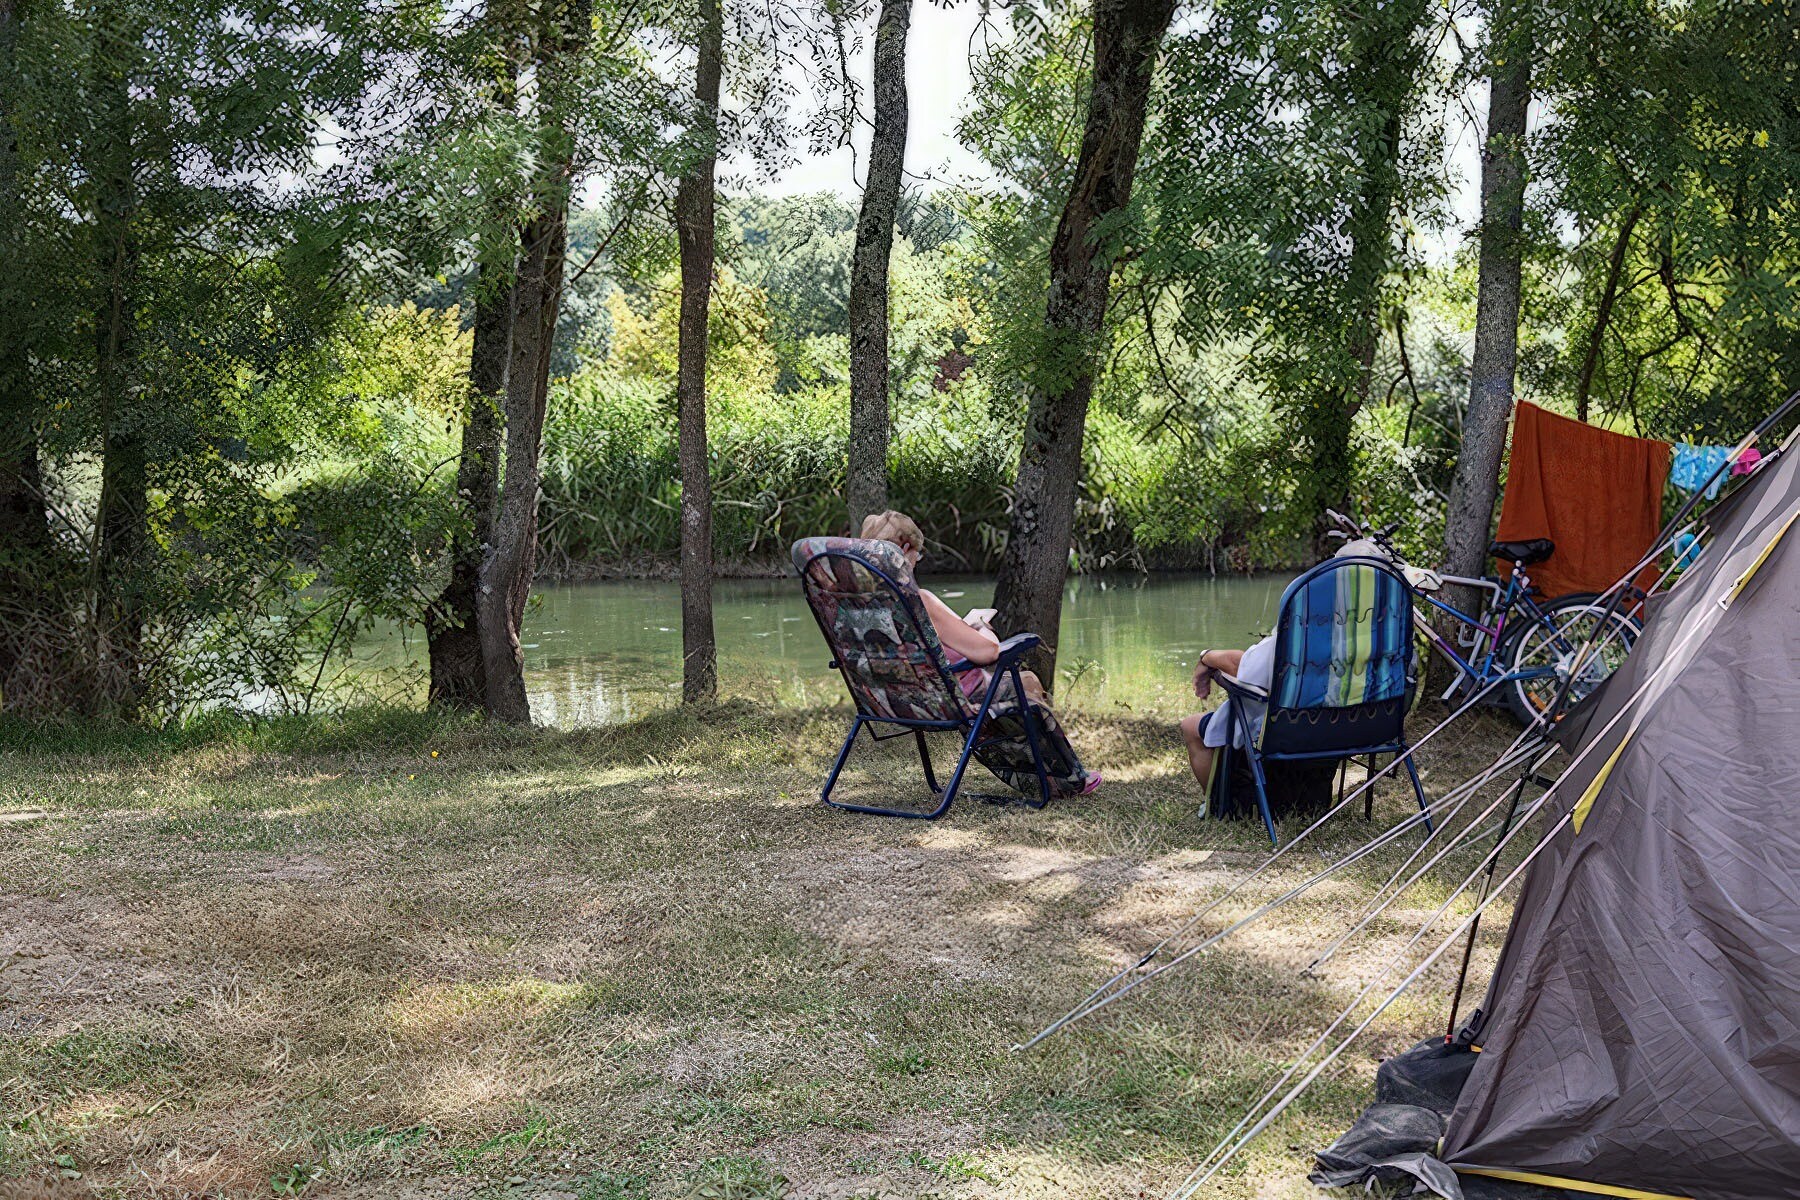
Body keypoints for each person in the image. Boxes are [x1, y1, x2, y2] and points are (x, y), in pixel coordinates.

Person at [1180, 538, 1390, 791]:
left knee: (1192, 726)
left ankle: (1220, 807)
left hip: (1299, 733)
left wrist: (1207, 657)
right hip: (1368, 731)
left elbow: (1245, 668)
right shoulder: (1393, 632)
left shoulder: (1310, 629)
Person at [859, 510, 1047, 704]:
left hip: (889, 702)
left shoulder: (855, 604)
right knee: (1028, 681)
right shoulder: (918, 601)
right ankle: (1039, 735)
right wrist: (982, 626)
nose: (916, 562)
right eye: (918, 555)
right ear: (906, 549)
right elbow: (989, 652)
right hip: (940, 702)